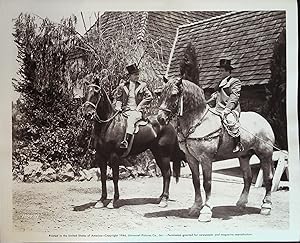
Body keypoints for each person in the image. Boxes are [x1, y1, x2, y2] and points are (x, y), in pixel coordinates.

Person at [207, 58, 243, 153]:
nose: (220, 73)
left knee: (231, 121)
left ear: (228, 71)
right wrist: (213, 97)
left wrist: (227, 109)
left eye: (222, 71)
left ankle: (238, 143)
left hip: (230, 109)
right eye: (219, 71)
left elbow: (234, 97)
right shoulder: (219, 83)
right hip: (218, 108)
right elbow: (219, 94)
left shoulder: (234, 81)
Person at [115, 63, 153, 149]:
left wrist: (139, 107)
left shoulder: (142, 86)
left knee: (131, 120)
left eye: (138, 74)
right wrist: (118, 107)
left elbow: (149, 97)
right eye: (135, 75)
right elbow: (119, 99)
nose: (137, 76)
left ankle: (126, 141)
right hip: (125, 110)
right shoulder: (123, 86)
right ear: (130, 75)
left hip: (137, 111)